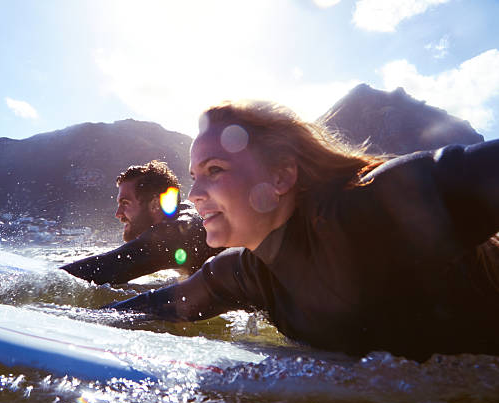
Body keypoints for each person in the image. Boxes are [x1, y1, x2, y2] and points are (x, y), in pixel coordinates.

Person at [104, 100, 499, 362]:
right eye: (194, 176)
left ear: (281, 175)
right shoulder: (244, 272)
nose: (195, 194)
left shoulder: (376, 207)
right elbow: (147, 308)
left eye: (215, 171)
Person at [61, 160, 223, 285]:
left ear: (154, 205)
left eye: (125, 203)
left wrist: (43, 281)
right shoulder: (187, 217)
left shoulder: (174, 234)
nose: (118, 214)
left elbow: (108, 267)